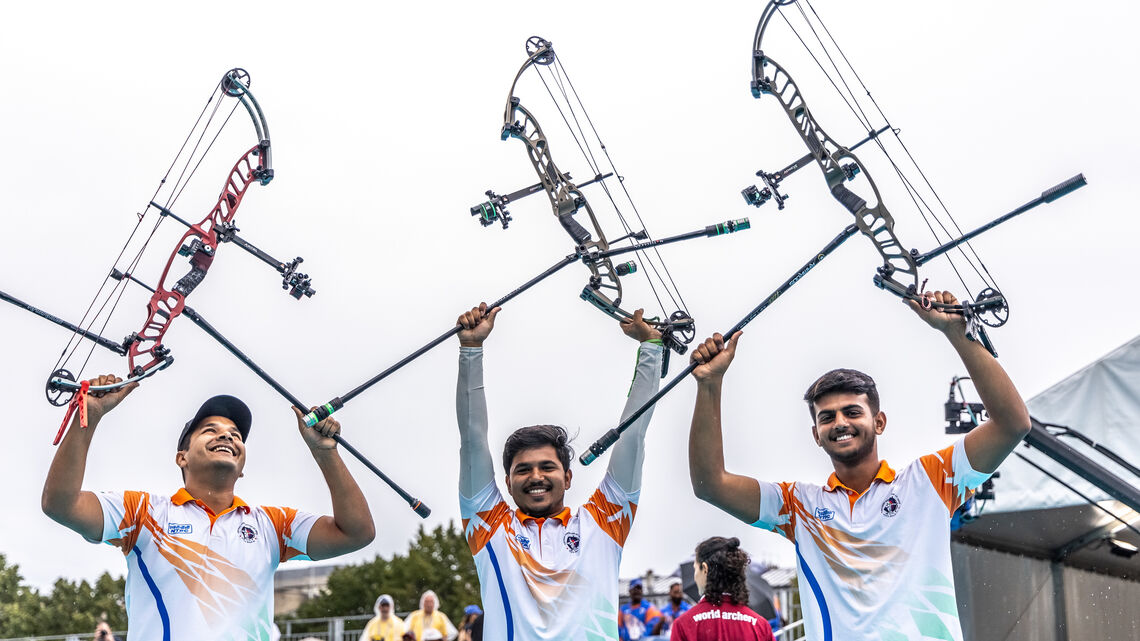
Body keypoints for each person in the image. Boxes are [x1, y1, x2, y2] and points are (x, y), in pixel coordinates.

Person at [687, 291, 1033, 641]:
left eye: (852, 412)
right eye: (827, 417)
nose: (839, 422)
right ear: (816, 435)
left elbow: (1012, 424)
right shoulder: (798, 506)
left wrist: (958, 334)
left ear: (879, 422)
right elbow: (710, 484)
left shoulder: (929, 480)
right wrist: (709, 384)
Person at [41, 384, 376, 640]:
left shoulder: (273, 525)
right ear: (182, 457)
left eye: (235, 435)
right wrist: (90, 416)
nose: (227, 436)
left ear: (242, 466)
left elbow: (356, 532)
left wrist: (324, 453)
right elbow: (60, 503)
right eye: (210, 430)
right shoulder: (143, 511)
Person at [455, 303, 664, 640]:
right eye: (523, 470)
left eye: (547, 467)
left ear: (568, 477)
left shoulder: (602, 522)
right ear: (507, 482)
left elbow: (634, 434)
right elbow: (472, 439)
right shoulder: (490, 525)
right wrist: (471, 349)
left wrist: (651, 348)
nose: (536, 476)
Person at [669, 537, 773, 641]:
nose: (695, 577)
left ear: (705, 569)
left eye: (695, 569)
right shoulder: (760, 626)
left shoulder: (684, 624)